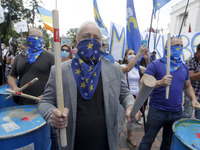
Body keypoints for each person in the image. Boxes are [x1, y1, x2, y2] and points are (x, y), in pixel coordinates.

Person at [38, 21, 135, 150]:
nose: (91, 41)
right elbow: (45, 102)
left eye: (96, 38)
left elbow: (125, 94)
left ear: (101, 44)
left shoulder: (114, 68)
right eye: (86, 36)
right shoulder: (59, 70)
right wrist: (52, 115)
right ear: (77, 43)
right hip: (73, 143)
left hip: (107, 142)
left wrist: (130, 105)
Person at [138, 37, 200, 150]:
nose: (179, 48)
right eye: (176, 45)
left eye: (181, 46)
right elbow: (142, 82)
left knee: (168, 142)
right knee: (148, 140)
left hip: (176, 112)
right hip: (157, 111)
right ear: (167, 47)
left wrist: (193, 99)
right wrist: (159, 82)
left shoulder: (184, 67)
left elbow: (188, 86)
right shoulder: (156, 64)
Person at [7, 28, 59, 150]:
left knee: (50, 137)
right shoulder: (20, 57)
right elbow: (11, 76)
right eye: (33, 36)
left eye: (39, 37)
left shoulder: (50, 57)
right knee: (26, 136)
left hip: (44, 106)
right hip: (23, 105)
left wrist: (47, 95)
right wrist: (15, 87)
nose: (36, 39)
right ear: (27, 38)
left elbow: (58, 80)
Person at [121, 46, 149, 147]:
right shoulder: (122, 66)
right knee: (120, 118)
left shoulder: (138, 68)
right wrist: (139, 54)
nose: (132, 55)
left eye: (134, 53)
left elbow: (150, 71)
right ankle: (116, 138)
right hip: (123, 97)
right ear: (125, 57)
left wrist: (147, 59)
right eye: (130, 54)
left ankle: (129, 136)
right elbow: (128, 68)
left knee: (131, 119)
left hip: (136, 97)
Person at [183, 43, 200, 119]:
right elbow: (191, 77)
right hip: (192, 93)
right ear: (197, 52)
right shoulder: (190, 61)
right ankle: (184, 130)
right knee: (187, 115)